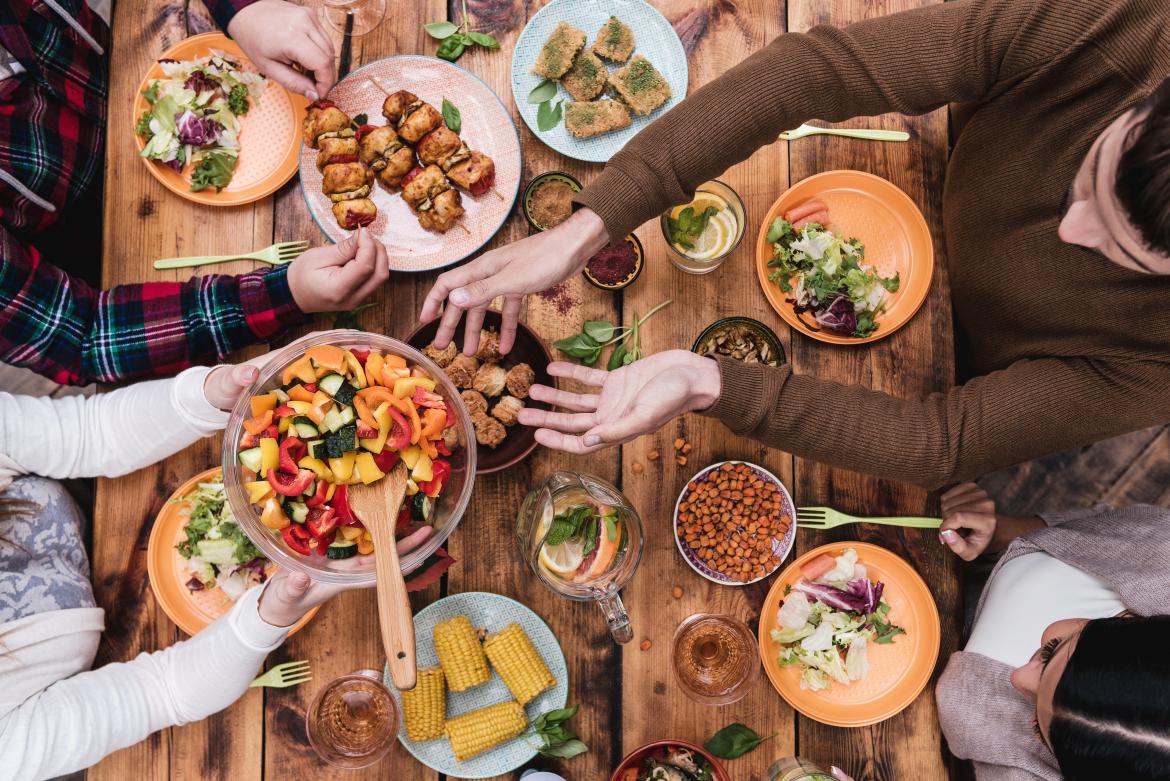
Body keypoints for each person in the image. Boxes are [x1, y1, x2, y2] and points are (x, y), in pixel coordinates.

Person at [423, 0, 1170, 490]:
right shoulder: (1123, 21)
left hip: (996, 361)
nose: (1067, 231)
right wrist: (590, 224)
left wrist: (710, 383)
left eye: (1122, 253)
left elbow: (945, 441)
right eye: (1092, 174)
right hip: (933, 170)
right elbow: (814, 73)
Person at [0, 343, 432, 779]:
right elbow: (163, 692)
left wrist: (206, 396)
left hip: (78, 496)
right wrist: (268, 614)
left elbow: (89, 432)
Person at [0, 0, 389, 386]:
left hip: (114, 77)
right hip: (64, 239)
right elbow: (79, 337)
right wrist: (284, 295)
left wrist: (242, 10)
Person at [933, 483, 1170, 780]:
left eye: (1039, 731)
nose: (1017, 678)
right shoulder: (1162, 551)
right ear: (1130, 623)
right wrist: (1000, 534)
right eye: (1051, 650)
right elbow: (1095, 526)